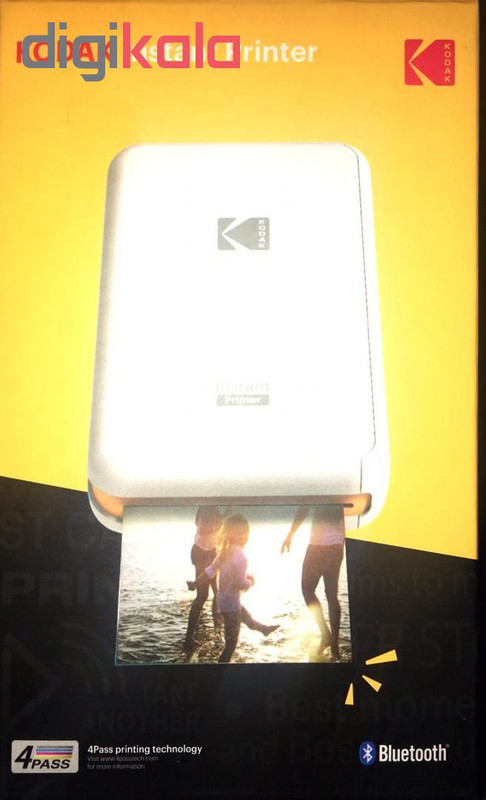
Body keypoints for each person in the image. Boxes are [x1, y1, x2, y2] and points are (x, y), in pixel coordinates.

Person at [188, 514, 279, 663]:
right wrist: (251, 582)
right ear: (245, 536)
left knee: (247, 617)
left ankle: (264, 629)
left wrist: (195, 583)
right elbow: (240, 584)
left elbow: (210, 571)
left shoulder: (225, 551)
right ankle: (220, 671)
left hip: (223, 602)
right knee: (230, 645)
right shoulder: (241, 557)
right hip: (232, 605)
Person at [281, 505, 345, 659]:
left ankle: (326, 634)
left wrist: (290, 533)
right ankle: (335, 646)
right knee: (331, 595)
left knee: (307, 590)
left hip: (318, 544)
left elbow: (304, 507)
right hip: (337, 544)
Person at [184, 506, 223, 653]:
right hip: (201, 552)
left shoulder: (214, 509)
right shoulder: (205, 509)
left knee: (217, 592)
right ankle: (188, 638)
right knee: (202, 595)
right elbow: (202, 530)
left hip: (212, 551)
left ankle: (218, 631)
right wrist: (219, 525)